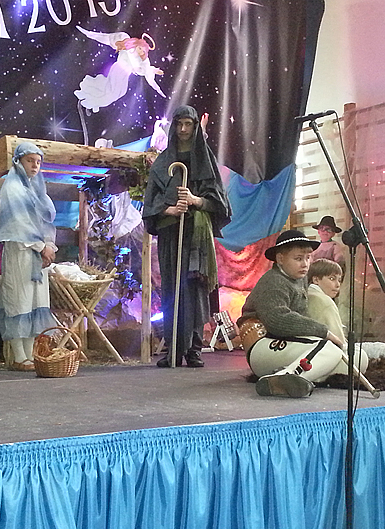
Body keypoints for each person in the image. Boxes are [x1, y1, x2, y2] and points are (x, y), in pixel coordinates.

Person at [143, 105, 231, 368]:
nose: (183, 129)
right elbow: (151, 202)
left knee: (194, 289)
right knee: (172, 289)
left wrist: (195, 200)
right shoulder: (162, 163)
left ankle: (194, 348)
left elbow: (219, 203)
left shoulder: (205, 160)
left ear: (195, 127)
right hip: (171, 233)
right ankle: (173, 349)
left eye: (188, 124)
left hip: (196, 236)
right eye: (179, 124)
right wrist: (168, 209)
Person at [237, 230, 345, 397]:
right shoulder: (273, 281)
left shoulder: (298, 279)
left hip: (285, 344)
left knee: (355, 358)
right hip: (262, 346)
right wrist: (324, 331)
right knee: (329, 348)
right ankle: (286, 378)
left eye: (308, 258)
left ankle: (291, 376)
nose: (305, 264)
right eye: (298, 259)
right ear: (280, 259)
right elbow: (277, 320)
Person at [0, 142, 58, 371]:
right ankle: (18, 356)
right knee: (19, 301)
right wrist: (41, 247)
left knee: (35, 302)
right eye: (30, 160)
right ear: (19, 161)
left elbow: (45, 221)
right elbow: (19, 223)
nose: (35, 166)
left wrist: (48, 246)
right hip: (21, 252)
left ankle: (30, 354)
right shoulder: (13, 188)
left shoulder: (36, 189)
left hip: (38, 257)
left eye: (38, 162)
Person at [305, 258, 385, 363]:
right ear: (316, 280)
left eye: (339, 280)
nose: (337, 285)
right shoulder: (324, 301)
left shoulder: (308, 295)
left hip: (318, 351)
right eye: (332, 279)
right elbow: (340, 343)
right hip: (331, 354)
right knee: (382, 348)